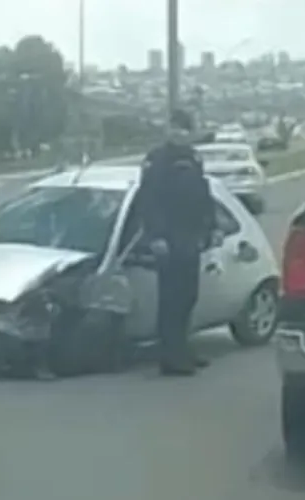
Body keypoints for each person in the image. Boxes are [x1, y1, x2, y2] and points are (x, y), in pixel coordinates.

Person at [129, 109, 220, 376]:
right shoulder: (158, 160)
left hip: (191, 236)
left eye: (183, 128)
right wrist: (155, 236)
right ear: (167, 130)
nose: (178, 132)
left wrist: (212, 226)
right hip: (168, 238)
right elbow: (149, 200)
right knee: (171, 300)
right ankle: (170, 358)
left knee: (188, 297)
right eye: (174, 127)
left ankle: (184, 349)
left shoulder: (193, 157)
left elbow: (204, 194)